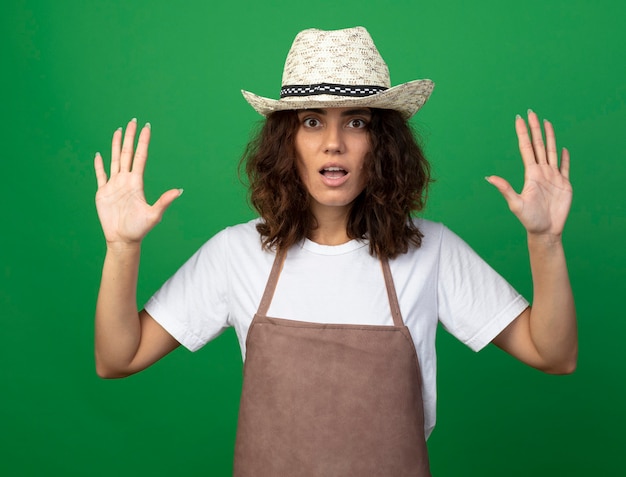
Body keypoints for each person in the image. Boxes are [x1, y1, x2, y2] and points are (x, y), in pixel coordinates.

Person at [93, 27, 576, 476]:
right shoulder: (234, 253)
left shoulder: (431, 251)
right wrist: (122, 246)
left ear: (382, 144)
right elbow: (118, 358)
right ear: (287, 143)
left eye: (357, 122)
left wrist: (545, 241)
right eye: (311, 121)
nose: (333, 144)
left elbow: (553, 354)